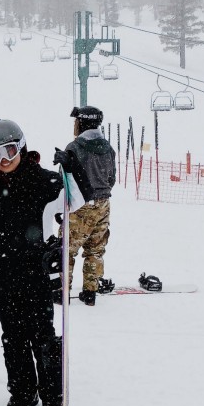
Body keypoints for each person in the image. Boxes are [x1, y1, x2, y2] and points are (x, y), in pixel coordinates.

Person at [0, 119, 63, 406]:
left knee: (43, 335)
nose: (4, 161)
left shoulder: (43, 180)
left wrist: (73, 167)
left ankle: (53, 396)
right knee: (12, 336)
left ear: (22, 147)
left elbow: (77, 198)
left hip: (36, 272)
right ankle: (23, 393)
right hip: (2, 274)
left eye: (10, 151)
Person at [53, 106, 116, 306]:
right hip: (103, 204)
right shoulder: (108, 148)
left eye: (76, 121)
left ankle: (63, 292)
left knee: (66, 250)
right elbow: (112, 178)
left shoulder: (75, 147)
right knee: (95, 250)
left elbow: (68, 181)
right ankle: (90, 291)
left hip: (80, 206)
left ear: (82, 123)